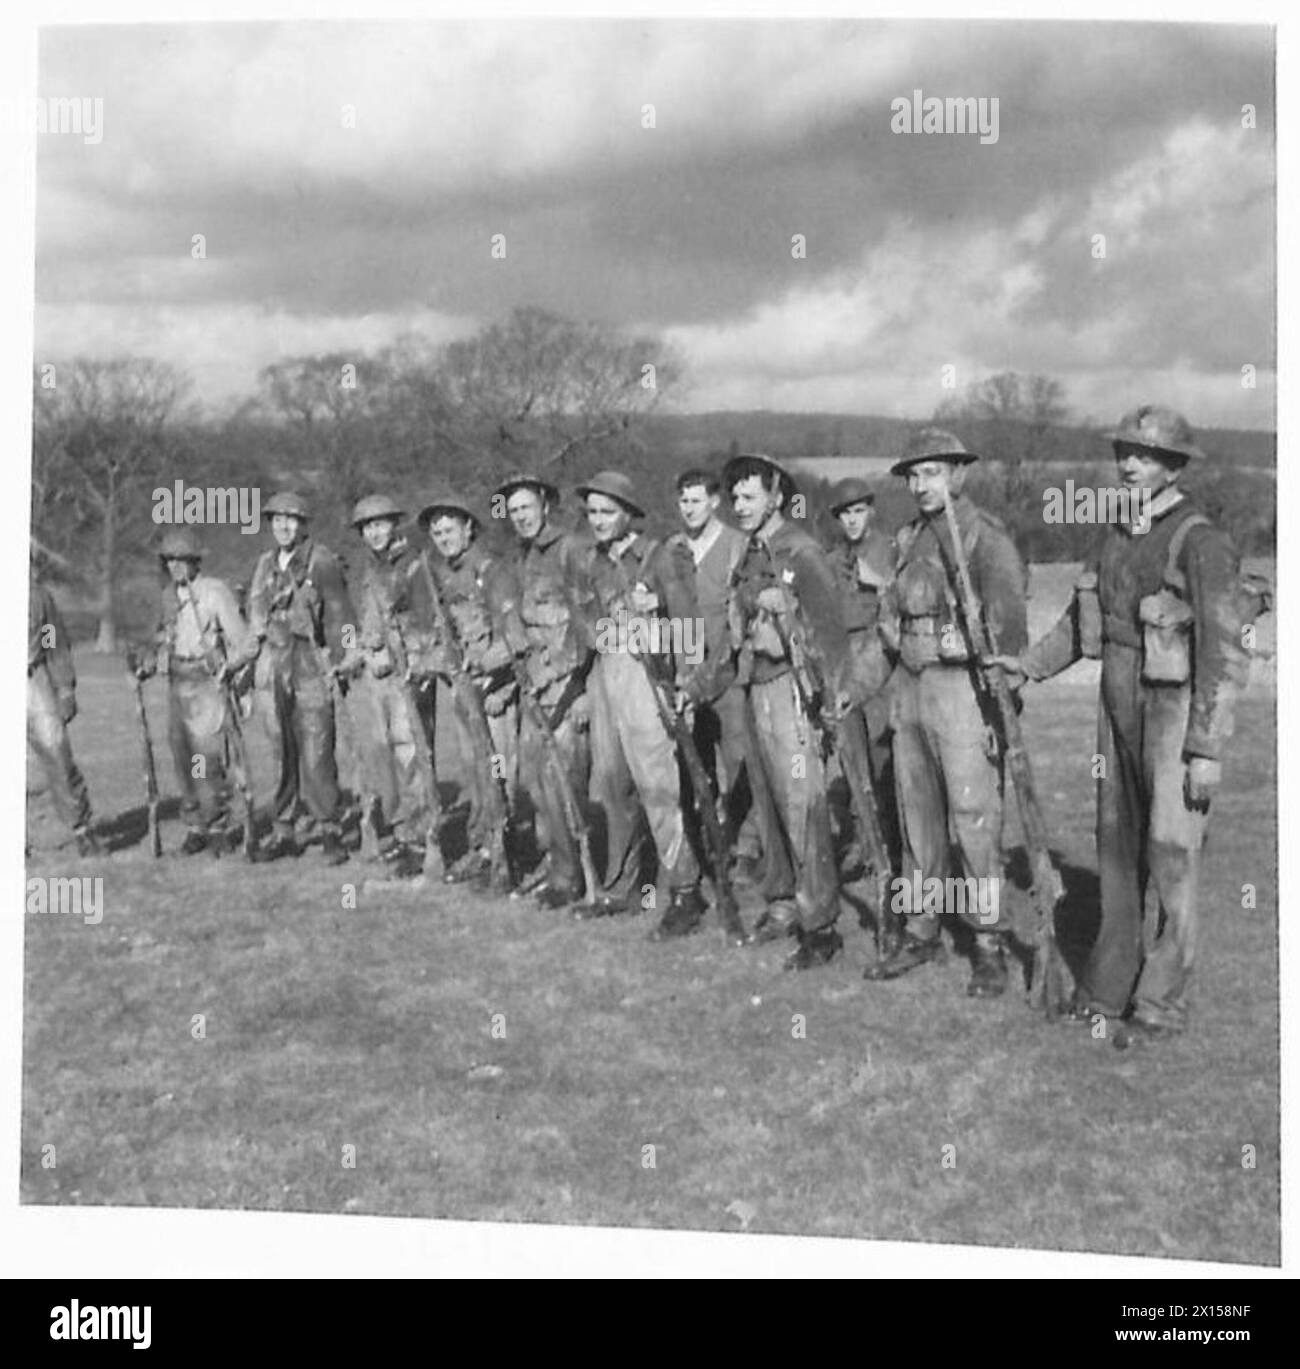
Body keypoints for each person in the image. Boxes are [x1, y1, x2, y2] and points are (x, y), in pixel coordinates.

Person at [993, 406, 1252, 1045]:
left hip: (1173, 715)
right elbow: (1086, 628)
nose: (1129, 464)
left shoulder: (1200, 541)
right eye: (1124, 453)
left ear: (1172, 465)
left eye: (1144, 455)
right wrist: (1028, 667)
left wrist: (1206, 747)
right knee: (1116, 853)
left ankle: (1161, 1003)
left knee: (1172, 855)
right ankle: (1110, 986)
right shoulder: (1113, 533)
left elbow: (1225, 649)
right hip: (1115, 709)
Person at [865, 429, 1028, 997]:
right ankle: (921, 929)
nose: (920, 484)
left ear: (958, 474)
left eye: (932, 472)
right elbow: (887, 626)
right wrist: (849, 688)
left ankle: (989, 943)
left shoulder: (987, 538)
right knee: (918, 823)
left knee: (974, 822)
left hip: (963, 696)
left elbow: (1011, 635)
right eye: (913, 475)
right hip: (908, 694)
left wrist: (985, 655)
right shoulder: (908, 539)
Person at [697, 452, 852, 970]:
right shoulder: (750, 553)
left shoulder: (801, 551)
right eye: (735, 497)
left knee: (802, 805)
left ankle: (820, 924)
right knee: (767, 801)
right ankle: (784, 902)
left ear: (776, 497)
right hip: (754, 686)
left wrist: (829, 706)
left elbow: (831, 633)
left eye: (750, 496)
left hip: (794, 689)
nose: (740, 506)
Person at [577, 469, 707, 936]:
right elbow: (587, 623)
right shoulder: (594, 562)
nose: (598, 520)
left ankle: (686, 892)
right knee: (613, 786)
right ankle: (625, 885)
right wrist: (612, 628)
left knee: (659, 789)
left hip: (650, 683)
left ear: (628, 513)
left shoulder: (659, 556)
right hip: (609, 678)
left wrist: (687, 686)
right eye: (591, 512)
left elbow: (689, 625)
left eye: (607, 511)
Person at [238, 491, 356, 864]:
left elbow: (341, 614)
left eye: (291, 519)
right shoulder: (264, 564)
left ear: (304, 524)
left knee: (317, 751)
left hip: (310, 662)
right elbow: (254, 616)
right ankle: (283, 828)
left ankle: (330, 830)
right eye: (277, 520)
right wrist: (242, 664)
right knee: (280, 751)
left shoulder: (321, 561)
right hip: (273, 661)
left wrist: (344, 658)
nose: (284, 526)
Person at [494, 472, 594, 909]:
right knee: (537, 783)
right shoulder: (519, 558)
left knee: (566, 783)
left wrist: (564, 677)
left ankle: (577, 876)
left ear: (544, 505)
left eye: (527, 508)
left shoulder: (571, 549)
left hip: (568, 686)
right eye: (513, 511)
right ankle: (560, 870)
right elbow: (514, 617)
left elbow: (585, 623)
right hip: (533, 688)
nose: (521, 517)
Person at [419, 487, 522, 890]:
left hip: (496, 694)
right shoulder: (445, 575)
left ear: (468, 528)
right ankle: (484, 850)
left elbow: (514, 638)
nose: (444, 539)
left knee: (500, 773)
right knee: (475, 773)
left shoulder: (492, 571)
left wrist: (488, 672)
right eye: (437, 534)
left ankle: (507, 851)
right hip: (465, 695)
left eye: (450, 530)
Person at [127, 529, 252, 856]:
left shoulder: (215, 592)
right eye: (170, 561)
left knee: (205, 758)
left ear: (195, 561)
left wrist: (231, 668)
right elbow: (157, 640)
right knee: (183, 757)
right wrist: (144, 665)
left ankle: (219, 825)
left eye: (182, 560)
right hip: (177, 681)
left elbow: (245, 641)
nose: (175, 567)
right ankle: (196, 824)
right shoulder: (168, 597)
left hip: (206, 681)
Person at [666, 468, 765, 884]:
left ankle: (748, 846)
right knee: (696, 764)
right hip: (687, 675)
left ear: (714, 502)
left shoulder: (736, 545)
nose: (689, 509)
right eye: (683, 501)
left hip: (731, 673)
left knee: (740, 761)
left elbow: (738, 615)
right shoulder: (671, 549)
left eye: (696, 500)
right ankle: (710, 842)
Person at [343, 493, 430, 878]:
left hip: (408, 673)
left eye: (381, 524)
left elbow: (426, 623)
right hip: (375, 675)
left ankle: (422, 839)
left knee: (413, 756)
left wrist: (399, 658)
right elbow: (364, 623)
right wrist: (356, 654)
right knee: (383, 758)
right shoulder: (367, 570)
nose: (375, 532)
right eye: (368, 527)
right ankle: (398, 830)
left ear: (395, 525)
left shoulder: (414, 565)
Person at [822, 476, 900, 881]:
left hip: (882, 660)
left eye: (857, 511)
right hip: (846, 661)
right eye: (844, 514)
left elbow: (907, 603)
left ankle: (889, 846)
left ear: (870, 510)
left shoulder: (890, 550)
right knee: (852, 756)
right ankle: (864, 842)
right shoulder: (833, 559)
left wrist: (882, 583)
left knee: (881, 755)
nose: (851, 520)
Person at [27, 575, 99, 855]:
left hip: (33, 682)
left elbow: (53, 644)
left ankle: (82, 830)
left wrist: (65, 688)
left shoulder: (38, 598)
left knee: (58, 756)